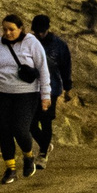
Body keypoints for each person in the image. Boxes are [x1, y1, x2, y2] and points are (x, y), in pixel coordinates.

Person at [0, 15, 52, 183]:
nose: (8, 33)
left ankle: (28, 156)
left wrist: (45, 95)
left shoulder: (32, 43)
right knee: (4, 130)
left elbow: (43, 69)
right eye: (5, 29)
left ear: (21, 28)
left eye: (12, 29)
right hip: (0, 92)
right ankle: (10, 169)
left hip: (26, 93)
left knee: (20, 128)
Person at [29, 14, 71, 161]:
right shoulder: (30, 42)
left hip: (52, 87)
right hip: (31, 88)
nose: (40, 34)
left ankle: (43, 153)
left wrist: (67, 87)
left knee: (46, 121)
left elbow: (66, 67)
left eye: (42, 31)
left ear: (48, 29)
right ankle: (44, 144)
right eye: (37, 32)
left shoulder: (59, 45)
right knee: (30, 123)